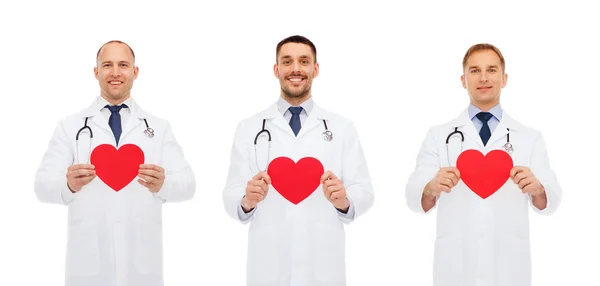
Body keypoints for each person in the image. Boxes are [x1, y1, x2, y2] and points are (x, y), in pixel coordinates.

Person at [34, 40, 196, 286]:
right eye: (107, 65)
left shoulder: (158, 128)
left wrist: (163, 184)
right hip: (88, 265)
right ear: (96, 72)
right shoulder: (71, 126)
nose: (116, 72)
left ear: (135, 72)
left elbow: (188, 185)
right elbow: (42, 185)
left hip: (142, 265)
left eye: (123, 65)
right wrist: (68, 185)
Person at [405, 43, 562, 286]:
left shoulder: (529, 137)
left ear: (504, 78)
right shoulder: (439, 135)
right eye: (475, 70)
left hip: (509, 265)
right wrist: (431, 187)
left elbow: (551, 199)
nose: (484, 77)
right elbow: (414, 194)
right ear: (463, 79)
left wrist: (538, 188)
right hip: (456, 264)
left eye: (491, 69)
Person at [222, 35, 374, 286]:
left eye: (304, 61)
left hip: (322, 264)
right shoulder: (249, 128)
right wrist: (247, 200)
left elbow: (365, 191)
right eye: (287, 61)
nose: (295, 69)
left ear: (315, 69)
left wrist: (344, 200)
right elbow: (230, 193)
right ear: (276, 69)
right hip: (269, 264)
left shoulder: (342, 128)